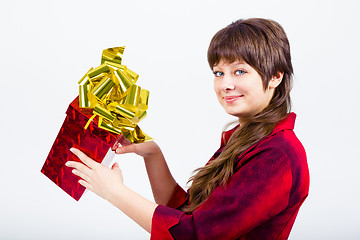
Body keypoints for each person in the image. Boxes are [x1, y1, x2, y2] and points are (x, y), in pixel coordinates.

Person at [66, 18, 310, 239]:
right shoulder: (247, 139)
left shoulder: (277, 155)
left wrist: (114, 192)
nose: (225, 84)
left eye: (239, 71)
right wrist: (152, 153)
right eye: (218, 72)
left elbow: (194, 234)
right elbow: (184, 213)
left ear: (276, 76)